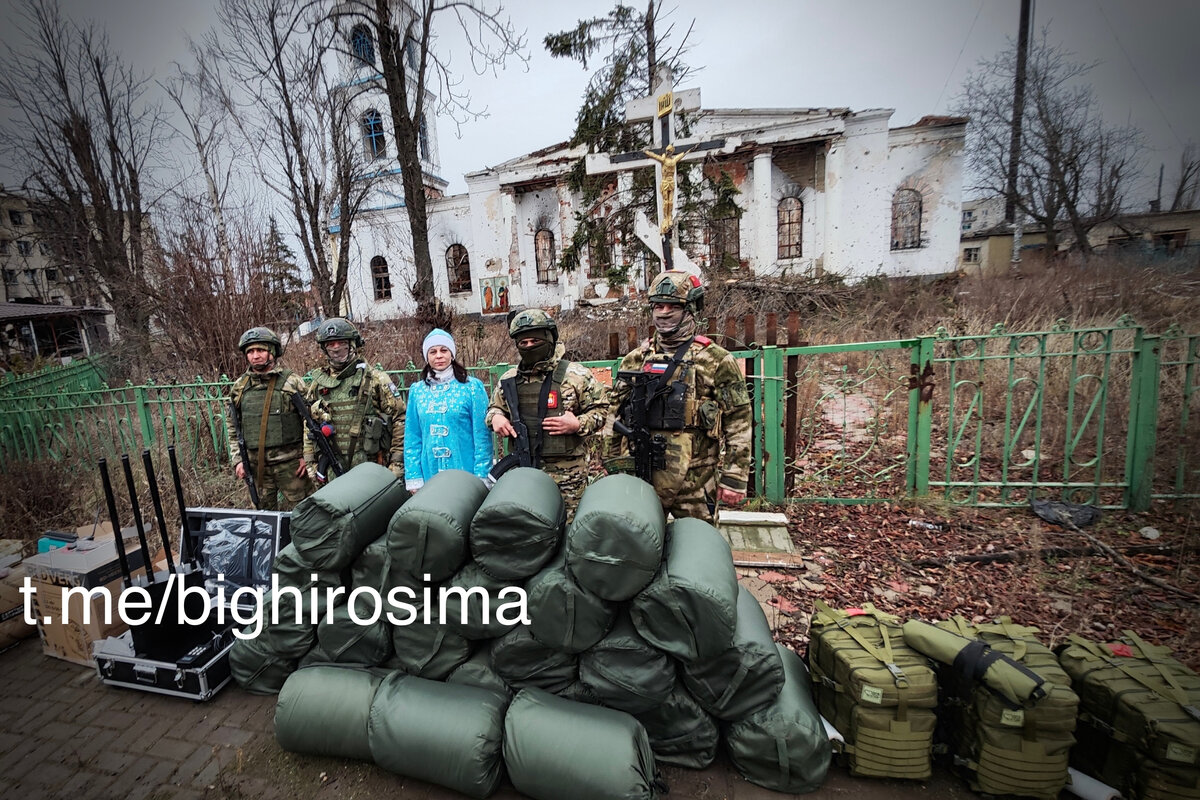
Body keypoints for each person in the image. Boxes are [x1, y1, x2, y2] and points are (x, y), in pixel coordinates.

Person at [610, 270, 751, 521]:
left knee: (698, 546)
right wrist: (612, 465)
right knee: (639, 545)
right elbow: (613, 414)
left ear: (690, 310)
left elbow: (738, 419)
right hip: (641, 473)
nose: (663, 313)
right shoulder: (635, 359)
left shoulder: (716, 360)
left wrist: (734, 476)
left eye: (673, 306)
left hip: (695, 480)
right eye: (658, 306)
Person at [485, 308, 609, 518]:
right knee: (530, 527)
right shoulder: (509, 379)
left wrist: (578, 424)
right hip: (524, 472)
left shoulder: (576, 375)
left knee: (569, 527)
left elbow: (602, 410)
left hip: (568, 476)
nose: (529, 347)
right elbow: (494, 409)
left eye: (535, 341)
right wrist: (496, 418)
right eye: (523, 343)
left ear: (549, 339)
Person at [303, 318, 405, 485]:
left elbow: (400, 419)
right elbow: (309, 424)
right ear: (324, 348)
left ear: (353, 344)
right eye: (331, 344)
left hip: (372, 468)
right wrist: (310, 463)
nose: (336, 348)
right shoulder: (318, 384)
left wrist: (396, 463)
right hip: (332, 469)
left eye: (341, 343)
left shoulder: (375, 379)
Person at [225, 327, 312, 510]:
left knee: (305, 512)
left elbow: (310, 422)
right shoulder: (240, 387)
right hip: (257, 468)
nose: (255, 356)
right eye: (250, 352)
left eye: (260, 350)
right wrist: (238, 460)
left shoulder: (291, 382)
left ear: (272, 352)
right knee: (263, 518)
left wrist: (307, 456)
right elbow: (233, 427)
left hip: (291, 465)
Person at [403, 328, 491, 491]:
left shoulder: (471, 387)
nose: (439, 356)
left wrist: (482, 475)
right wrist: (414, 476)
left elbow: (482, 436)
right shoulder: (417, 391)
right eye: (433, 351)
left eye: (444, 350)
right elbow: (412, 437)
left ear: (452, 353)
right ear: (426, 356)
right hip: (430, 472)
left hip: (465, 470)